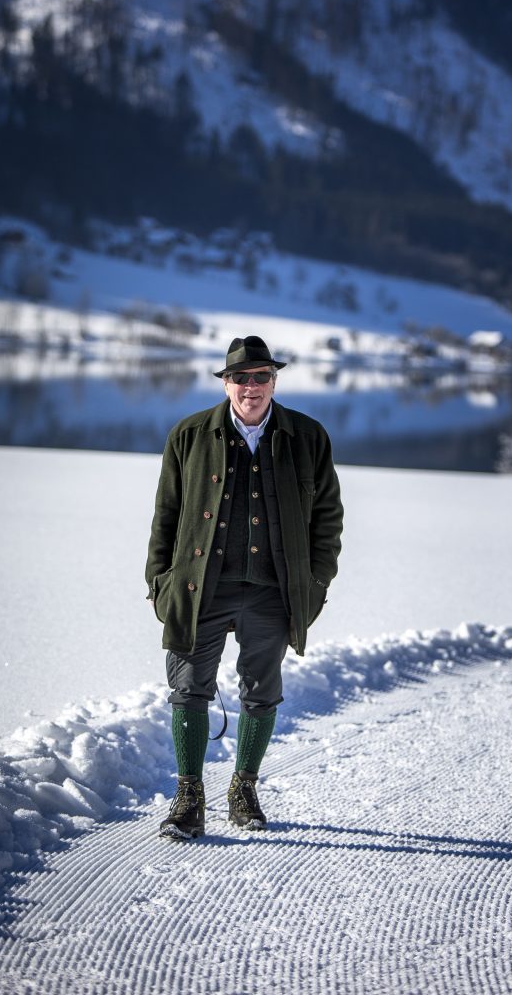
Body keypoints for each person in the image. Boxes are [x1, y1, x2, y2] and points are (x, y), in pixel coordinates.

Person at [145, 335, 343, 839]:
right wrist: (159, 580)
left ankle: (244, 788)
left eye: (261, 377)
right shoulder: (189, 436)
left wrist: (316, 583)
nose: (250, 387)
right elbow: (166, 515)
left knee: (261, 691)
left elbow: (327, 519)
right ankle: (190, 796)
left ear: (274, 381)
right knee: (188, 687)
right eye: (240, 377)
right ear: (226, 382)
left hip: (272, 593)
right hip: (199, 590)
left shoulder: (307, 437)